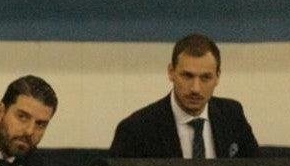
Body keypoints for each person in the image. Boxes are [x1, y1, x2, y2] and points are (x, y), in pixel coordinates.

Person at [109, 33, 259, 159]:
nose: (195, 88)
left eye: (205, 77)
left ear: (218, 77)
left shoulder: (232, 115)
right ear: (171, 72)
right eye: (187, 76)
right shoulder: (136, 130)